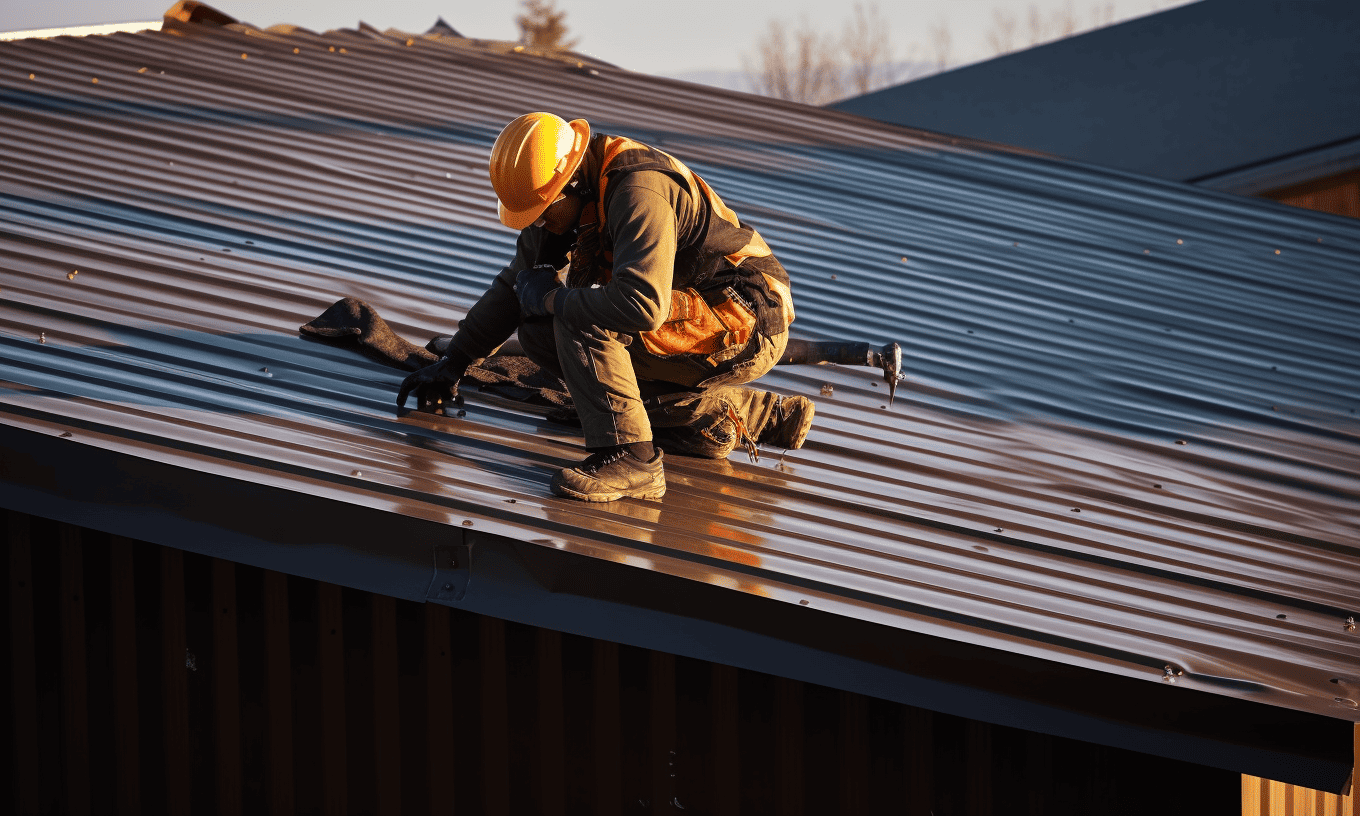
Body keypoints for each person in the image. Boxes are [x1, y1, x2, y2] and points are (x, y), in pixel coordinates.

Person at [397, 112, 814, 502]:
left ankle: (633, 458)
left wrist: (552, 297)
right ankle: (727, 417)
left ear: (571, 185)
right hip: (694, 311)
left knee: (577, 314)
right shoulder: (573, 194)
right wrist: (455, 361)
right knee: (541, 334)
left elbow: (642, 305)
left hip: (746, 315)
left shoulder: (637, 191)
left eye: (543, 214)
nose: (540, 224)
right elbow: (515, 285)